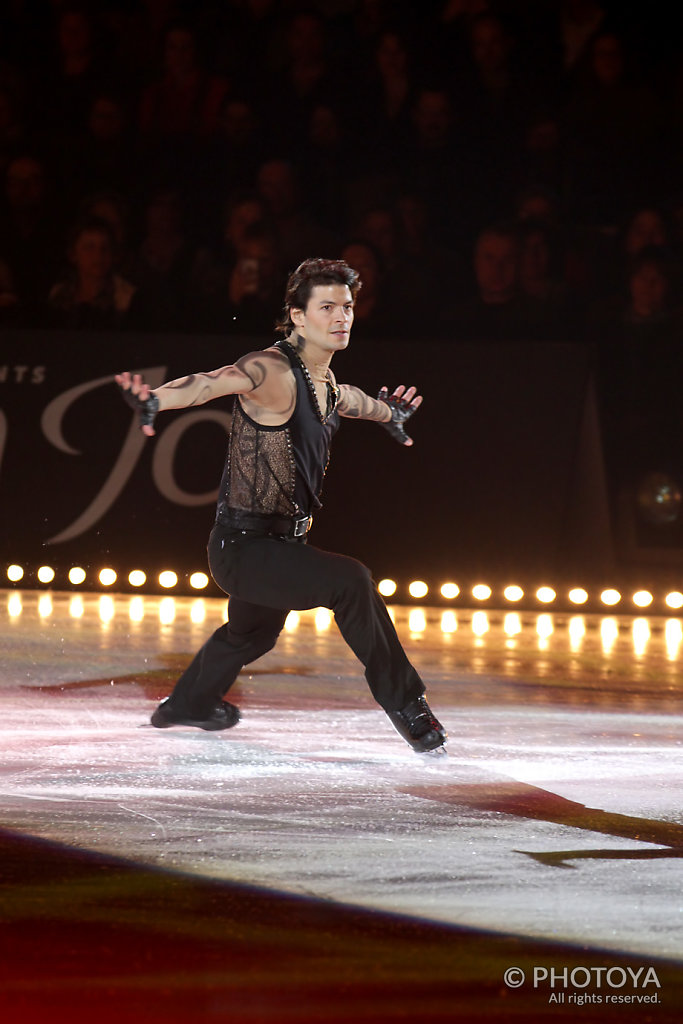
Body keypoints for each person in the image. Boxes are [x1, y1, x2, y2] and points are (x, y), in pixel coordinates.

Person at [115, 257, 446, 755]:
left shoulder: (327, 384)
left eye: (348, 307)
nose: (341, 317)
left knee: (252, 633)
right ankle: (408, 706)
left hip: (277, 546)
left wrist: (390, 413)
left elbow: (355, 401)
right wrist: (155, 401)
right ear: (297, 315)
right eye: (328, 307)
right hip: (244, 546)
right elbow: (212, 381)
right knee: (351, 580)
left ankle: (187, 704)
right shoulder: (270, 370)